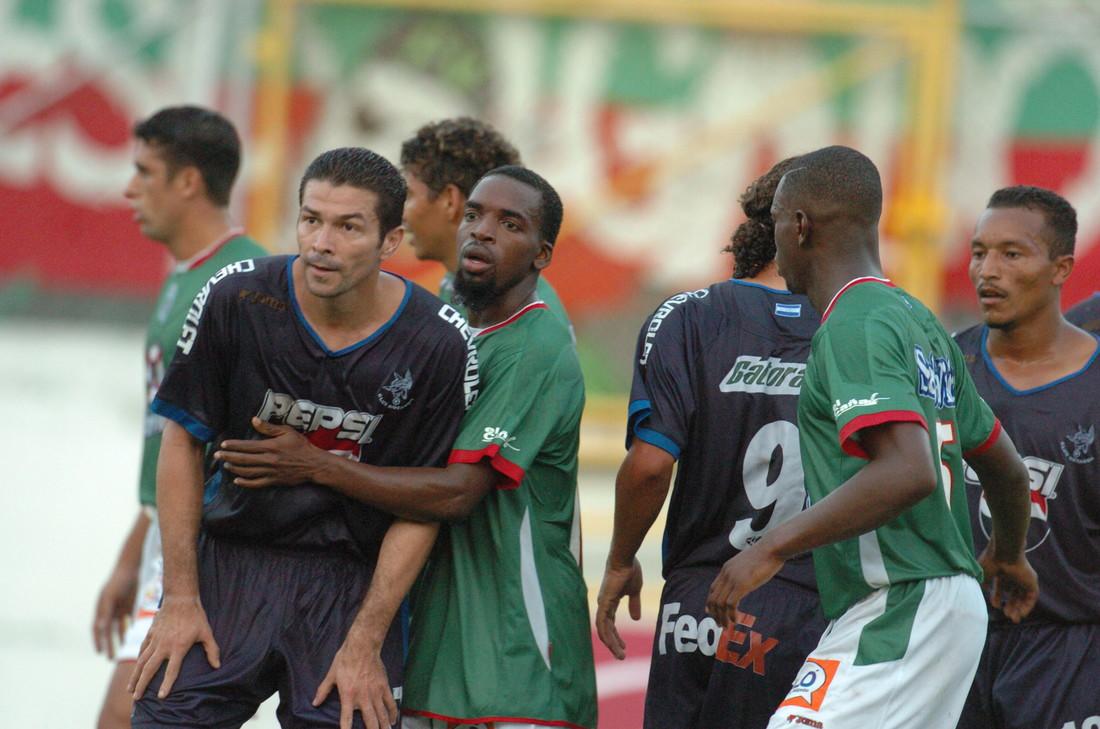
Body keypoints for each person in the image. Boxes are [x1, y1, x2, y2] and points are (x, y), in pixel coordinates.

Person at [214, 166, 597, 729]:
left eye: (508, 224)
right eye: (474, 215)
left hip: (517, 657)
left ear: (542, 255)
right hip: (435, 651)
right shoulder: (448, 337)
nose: (482, 232)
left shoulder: (535, 345)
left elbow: (458, 493)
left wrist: (315, 464)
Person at [128, 147, 476, 729]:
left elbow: (424, 506)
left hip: (350, 584)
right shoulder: (236, 297)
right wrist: (180, 598)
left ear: (391, 241)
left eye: (347, 226)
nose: (321, 242)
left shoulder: (438, 343)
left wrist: (367, 640)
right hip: (227, 568)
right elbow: (182, 441)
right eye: (311, 219)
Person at [705, 145, 1038, 729]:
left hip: (904, 602)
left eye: (777, 222)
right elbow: (1006, 469)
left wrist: (771, 547)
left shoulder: (854, 324)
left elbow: (908, 470)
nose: (773, 240)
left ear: (801, 226)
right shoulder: (918, 322)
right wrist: (1005, 556)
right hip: (935, 605)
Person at [594, 156, 827, 729]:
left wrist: (621, 560)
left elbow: (650, 464)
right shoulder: (864, 325)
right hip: (814, 607)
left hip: (701, 599)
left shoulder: (689, 315)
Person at [92, 105, 267, 729]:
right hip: (165, 547)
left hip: (204, 555)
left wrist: (182, 575)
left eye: (144, 171)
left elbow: (235, 442)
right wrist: (132, 554)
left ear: (188, 181)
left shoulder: (242, 285)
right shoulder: (183, 277)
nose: (128, 188)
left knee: (124, 717)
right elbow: (169, 437)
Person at [955, 186, 1100, 729]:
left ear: (1061, 268)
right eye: (978, 252)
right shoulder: (944, 368)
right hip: (955, 644)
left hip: (1070, 652)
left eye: (1012, 254)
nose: (987, 270)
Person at [399, 117, 570, 325]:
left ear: (449, 201)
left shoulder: (508, 315)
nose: (401, 215)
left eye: (409, 195)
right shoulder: (464, 283)